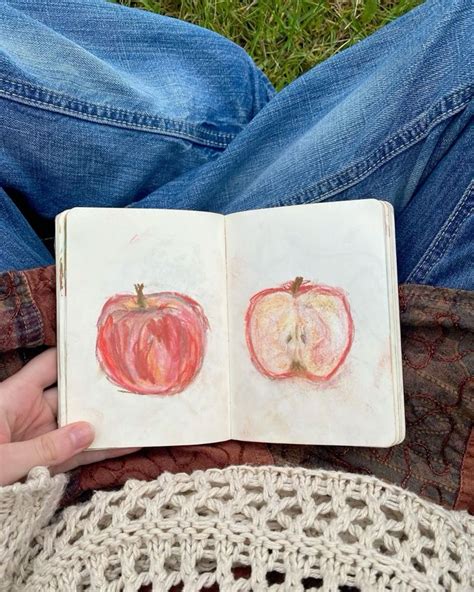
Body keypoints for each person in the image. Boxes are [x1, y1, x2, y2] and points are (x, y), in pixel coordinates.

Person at [0, 2, 472, 588]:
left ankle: (237, 135)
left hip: (51, 472)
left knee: (220, 101)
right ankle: (242, 132)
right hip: (405, 469)